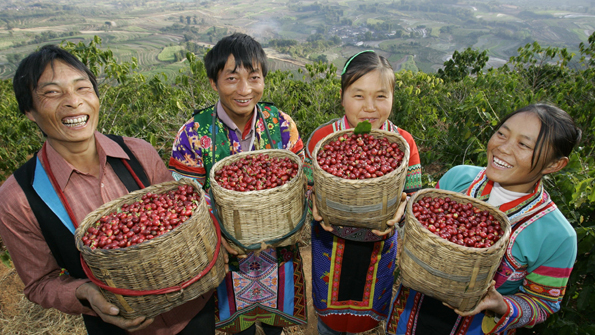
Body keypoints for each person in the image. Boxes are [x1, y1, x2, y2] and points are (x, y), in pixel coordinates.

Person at [0, 45, 215, 335]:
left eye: (82, 88)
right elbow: (39, 283)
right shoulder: (19, 197)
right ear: (29, 110)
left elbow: (182, 218)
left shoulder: (139, 153)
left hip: (191, 313)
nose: (74, 102)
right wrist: (85, 292)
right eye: (52, 93)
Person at [385, 104, 580, 335]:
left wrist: (501, 305)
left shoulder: (556, 236)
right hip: (408, 318)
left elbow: (543, 303)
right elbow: (421, 232)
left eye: (524, 145)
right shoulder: (458, 179)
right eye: (502, 134)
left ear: (554, 164)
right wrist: (402, 216)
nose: (503, 148)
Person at [168, 33, 307, 335]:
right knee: (238, 328)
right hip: (226, 256)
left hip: (277, 251)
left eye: (254, 77)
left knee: (274, 324)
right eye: (232, 78)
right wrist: (219, 235)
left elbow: (302, 178)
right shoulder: (193, 133)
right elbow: (185, 198)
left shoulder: (281, 125)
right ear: (213, 83)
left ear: (264, 79)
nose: (244, 90)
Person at [305, 50, 423, 334]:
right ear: (342, 96)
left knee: (366, 321)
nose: (370, 107)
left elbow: (412, 198)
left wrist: (403, 210)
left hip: (379, 248)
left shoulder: (404, 143)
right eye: (358, 95)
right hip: (330, 245)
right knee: (329, 320)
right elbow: (306, 188)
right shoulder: (323, 139)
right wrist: (312, 202)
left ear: (393, 98)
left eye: (381, 96)